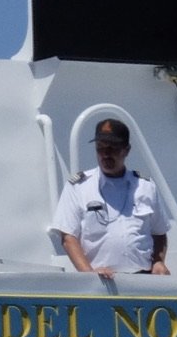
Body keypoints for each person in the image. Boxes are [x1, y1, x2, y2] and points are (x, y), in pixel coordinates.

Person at [52, 118, 170, 279]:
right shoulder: (79, 187)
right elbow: (68, 238)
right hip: (101, 281)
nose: (106, 154)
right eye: (100, 148)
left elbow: (159, 232)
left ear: (126, 150)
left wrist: (158, 262)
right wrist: (88, 274)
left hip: (144, 280)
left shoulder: (145, 186)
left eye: (112, 148)